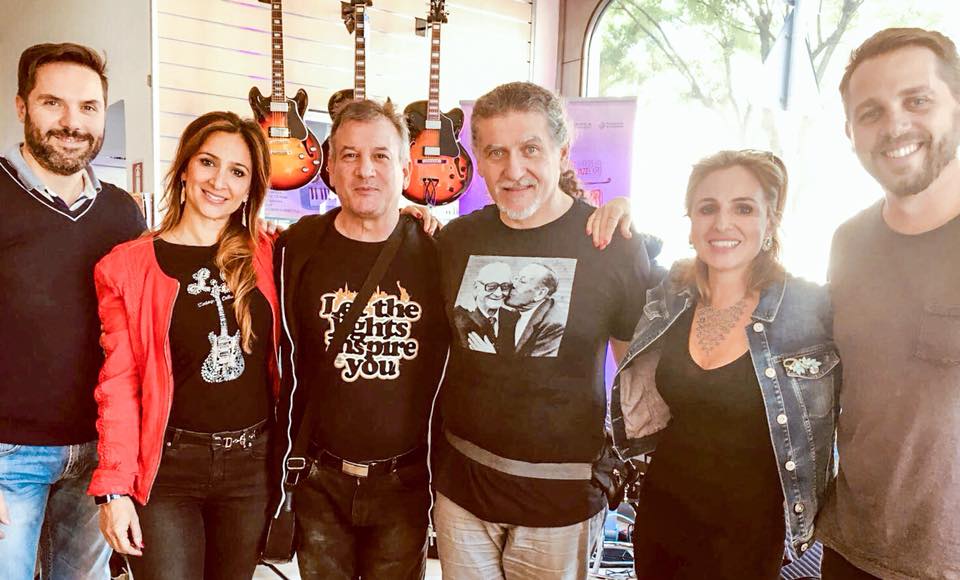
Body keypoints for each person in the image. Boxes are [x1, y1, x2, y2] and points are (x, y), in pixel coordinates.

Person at [432, 81, 660, 579]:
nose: (513, 170)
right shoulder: (456, 240)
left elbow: (637, 375)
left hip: (561, 501)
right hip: (463, 490)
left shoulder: (611, 244)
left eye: (530, 149)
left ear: (562, 152)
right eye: (496, 152)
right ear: (477, 160)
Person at [608, 150, 838, 579]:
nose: (722, 223)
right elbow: (620, 251)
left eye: (744, 208)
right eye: (707, 208)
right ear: (690, 222)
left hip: (748, 536)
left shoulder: (810, 309)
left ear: (771, 221)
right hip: (662, 519)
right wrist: (616, 206)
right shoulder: (671, 297)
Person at [88, 110, 280, 580]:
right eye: (207, 163)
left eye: (238, 172)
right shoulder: (127, 268)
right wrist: (114, 490)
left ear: (251, 188)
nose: (219, 182)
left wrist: (407, 218)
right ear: (185, 169)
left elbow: (344, 241)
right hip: (168, 470)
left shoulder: (270, 254)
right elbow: (119, 385)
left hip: (251, 470)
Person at [271, 98, 448, 580]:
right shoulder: (295, 246)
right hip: (318, 480)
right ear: (329, 166)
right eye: (349, 155)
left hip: (406, 482)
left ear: (406, 167)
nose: (365, 170)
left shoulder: (438, 252)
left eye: (380, 155)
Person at [815, 28, 960, 579]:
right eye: (871, 112)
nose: (894, 126)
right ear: (850, 132)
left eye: (917, 101)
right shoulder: (848, 242)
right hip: (850, 550)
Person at [0, 43, 145, 579]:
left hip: (97, 456)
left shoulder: (122, 213)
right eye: (52, 103)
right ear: (21, 106)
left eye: (88, 107)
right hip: (8, 457)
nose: (72, 123)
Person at [453, 261, 516, 352]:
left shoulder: (513, 318)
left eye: (505, 287)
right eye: (491, 287)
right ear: (476, 287)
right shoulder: (457, 318)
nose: (498, 294)